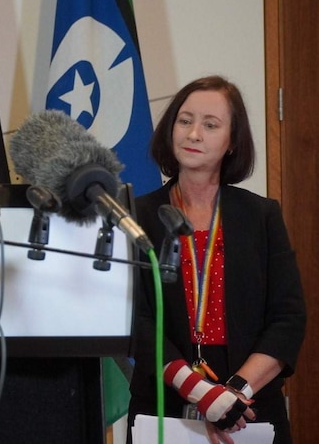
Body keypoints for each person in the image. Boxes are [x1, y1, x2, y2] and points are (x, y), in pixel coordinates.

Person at [128, 76, 306, 444]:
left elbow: (288, 318)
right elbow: (135, 318)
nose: (194, 134)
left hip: (250, 405)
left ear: (232, 142)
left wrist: (233, 395)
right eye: (184, 120)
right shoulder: (136, 214)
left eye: (210, 125)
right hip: (165, 397)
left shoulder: (261, 215)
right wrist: (201, 392)